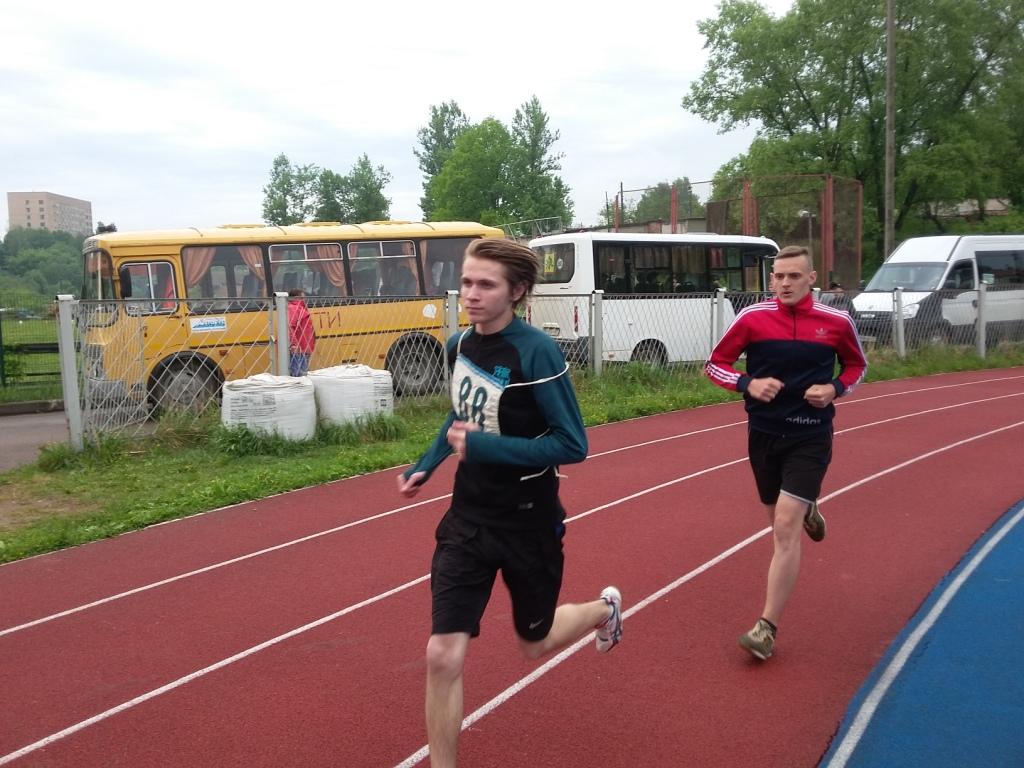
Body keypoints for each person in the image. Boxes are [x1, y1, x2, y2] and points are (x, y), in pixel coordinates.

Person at [396, 238, 623, 768]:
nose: (470, 294)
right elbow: (457, 419)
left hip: (528, 524)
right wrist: (426, 464)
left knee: (533, 642)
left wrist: (484, 446)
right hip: (469, 520)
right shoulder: (458, 346)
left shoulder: (537, 351)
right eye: (466, 282)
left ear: (516, 291)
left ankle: (604, 609)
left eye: (485, 285)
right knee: (442, 653)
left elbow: (573, 445)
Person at [705, 245, 867, 661]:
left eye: (793, 276)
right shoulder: (753, 319)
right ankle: (808, 505)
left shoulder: (835, 322)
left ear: (812, 278)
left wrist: (835, 388)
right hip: (763, 434)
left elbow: (856, 366)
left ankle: (766, 628)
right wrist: (746, 385)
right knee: (775, 519)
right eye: (778, 276)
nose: (784, 284)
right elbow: (715, 364)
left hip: (811, 435)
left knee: (784, 528)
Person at [286, 288, 315, 376]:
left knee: (302, 374)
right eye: (303, 298)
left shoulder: (299, 308)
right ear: (296, 297)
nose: (304, 300)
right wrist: (294, 344)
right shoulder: (294, 308)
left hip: (303, 347)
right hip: (299, 348)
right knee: (299, 375)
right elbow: (290, 327)